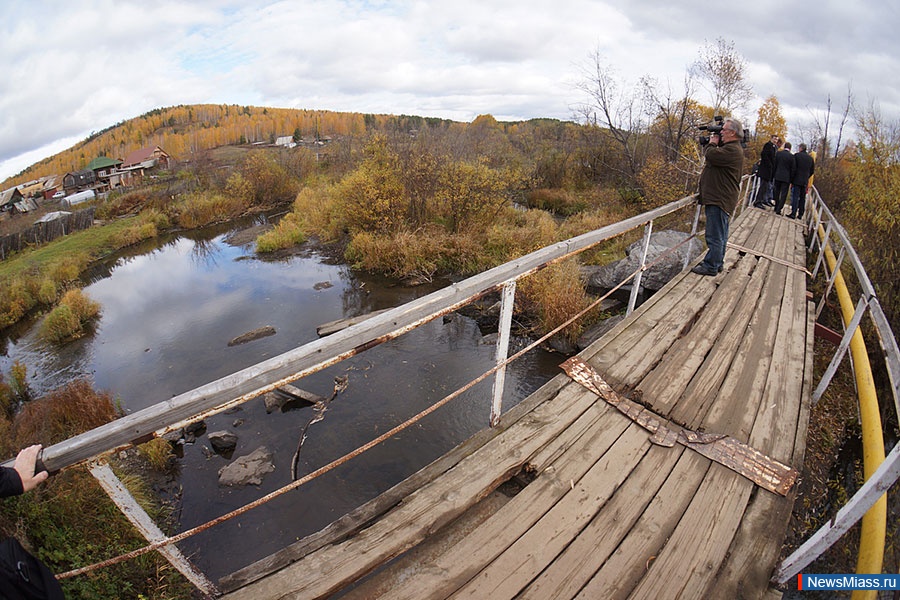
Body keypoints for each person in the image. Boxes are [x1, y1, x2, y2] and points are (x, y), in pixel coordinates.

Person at [691, 117, 745, 277]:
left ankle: (711, 266)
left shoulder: (732, 150)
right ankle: (717, 262)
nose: (721, 132)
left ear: (732, 133)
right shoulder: (732, 148)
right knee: (720, 234)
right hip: (721, 197)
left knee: (714, 235)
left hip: (719, 198)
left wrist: (712, 143)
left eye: (724, 130)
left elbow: (711, 155)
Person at [789, 143, 815, 219]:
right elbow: (812, 171)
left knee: (795, 197)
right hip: (805, 181)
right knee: (802, 198)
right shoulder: (810, 159)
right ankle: (800, 214)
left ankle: (793, 213)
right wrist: (807, 177)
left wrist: (792, 178)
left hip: (796, 180)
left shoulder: (796, 156)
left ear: (800, 148)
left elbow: (793, 168)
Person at [753, 134, 778, 208]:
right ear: (771, 138)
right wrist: (769, 165)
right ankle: (758, 201)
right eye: (774, 139)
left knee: (765, 187)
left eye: (776, 140)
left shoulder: (774, 147)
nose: (775, 141)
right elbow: (764, 155)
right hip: (765, 170)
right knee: (763, 186)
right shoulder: (768, 145)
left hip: (769, 171)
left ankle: (762, 200)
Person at [772, 141, 795, 216]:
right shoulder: (791, 157)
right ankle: (779, 209)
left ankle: (776, 206)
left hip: (778, 176)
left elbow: (775, 165)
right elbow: (793, 169)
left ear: (784, 147)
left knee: (776, 191)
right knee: (783, 194)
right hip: (786, 178)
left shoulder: (778, 154)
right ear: (790, 148)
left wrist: (774, 174)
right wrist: (791, 179)